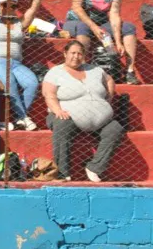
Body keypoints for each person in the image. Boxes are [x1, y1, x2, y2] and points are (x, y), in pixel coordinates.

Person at [41, 40, 125, 182]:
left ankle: (95, 168)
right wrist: (58, 110)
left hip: (101, 120)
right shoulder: (55, 72)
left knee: (115, 129)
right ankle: (62, 173)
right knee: (62, 124)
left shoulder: (95, 70)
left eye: (80, 54)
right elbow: (49, 94)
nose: (76, 56)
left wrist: (108, 98)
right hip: (67, 116)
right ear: (65, 54)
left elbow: (109, 80)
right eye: (72, 53)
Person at [60, 0, 143, 84]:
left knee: (128, 27)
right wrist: (93, 27)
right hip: (76, 21)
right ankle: (82, 70)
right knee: (83, 27)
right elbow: (76, 7)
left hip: (101, 24)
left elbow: (114, 15)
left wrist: (118, 41)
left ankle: (129, 72)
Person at [0, 0, 46, 130]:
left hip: (16, 63)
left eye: (13, 5)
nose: (9, 8)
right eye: (5, 4)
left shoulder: (20, 23)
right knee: (10, 83)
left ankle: (20, 118)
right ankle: (24, 117)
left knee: (32, 83)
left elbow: (33, 9)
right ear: (0, 6)